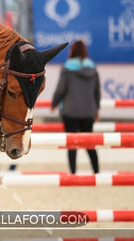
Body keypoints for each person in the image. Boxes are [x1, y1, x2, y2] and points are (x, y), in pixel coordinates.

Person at [50, 40, 100, 174]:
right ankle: (96, 172)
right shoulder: (93, 68)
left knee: (72, 144)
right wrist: (97, 110)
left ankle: (73, 173)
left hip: (70, 112)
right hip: (89, 111)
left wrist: (53, 104)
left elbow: (60, 89)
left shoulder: (67, 68)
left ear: (72, 51)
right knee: (89, 143)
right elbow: (97, 91)